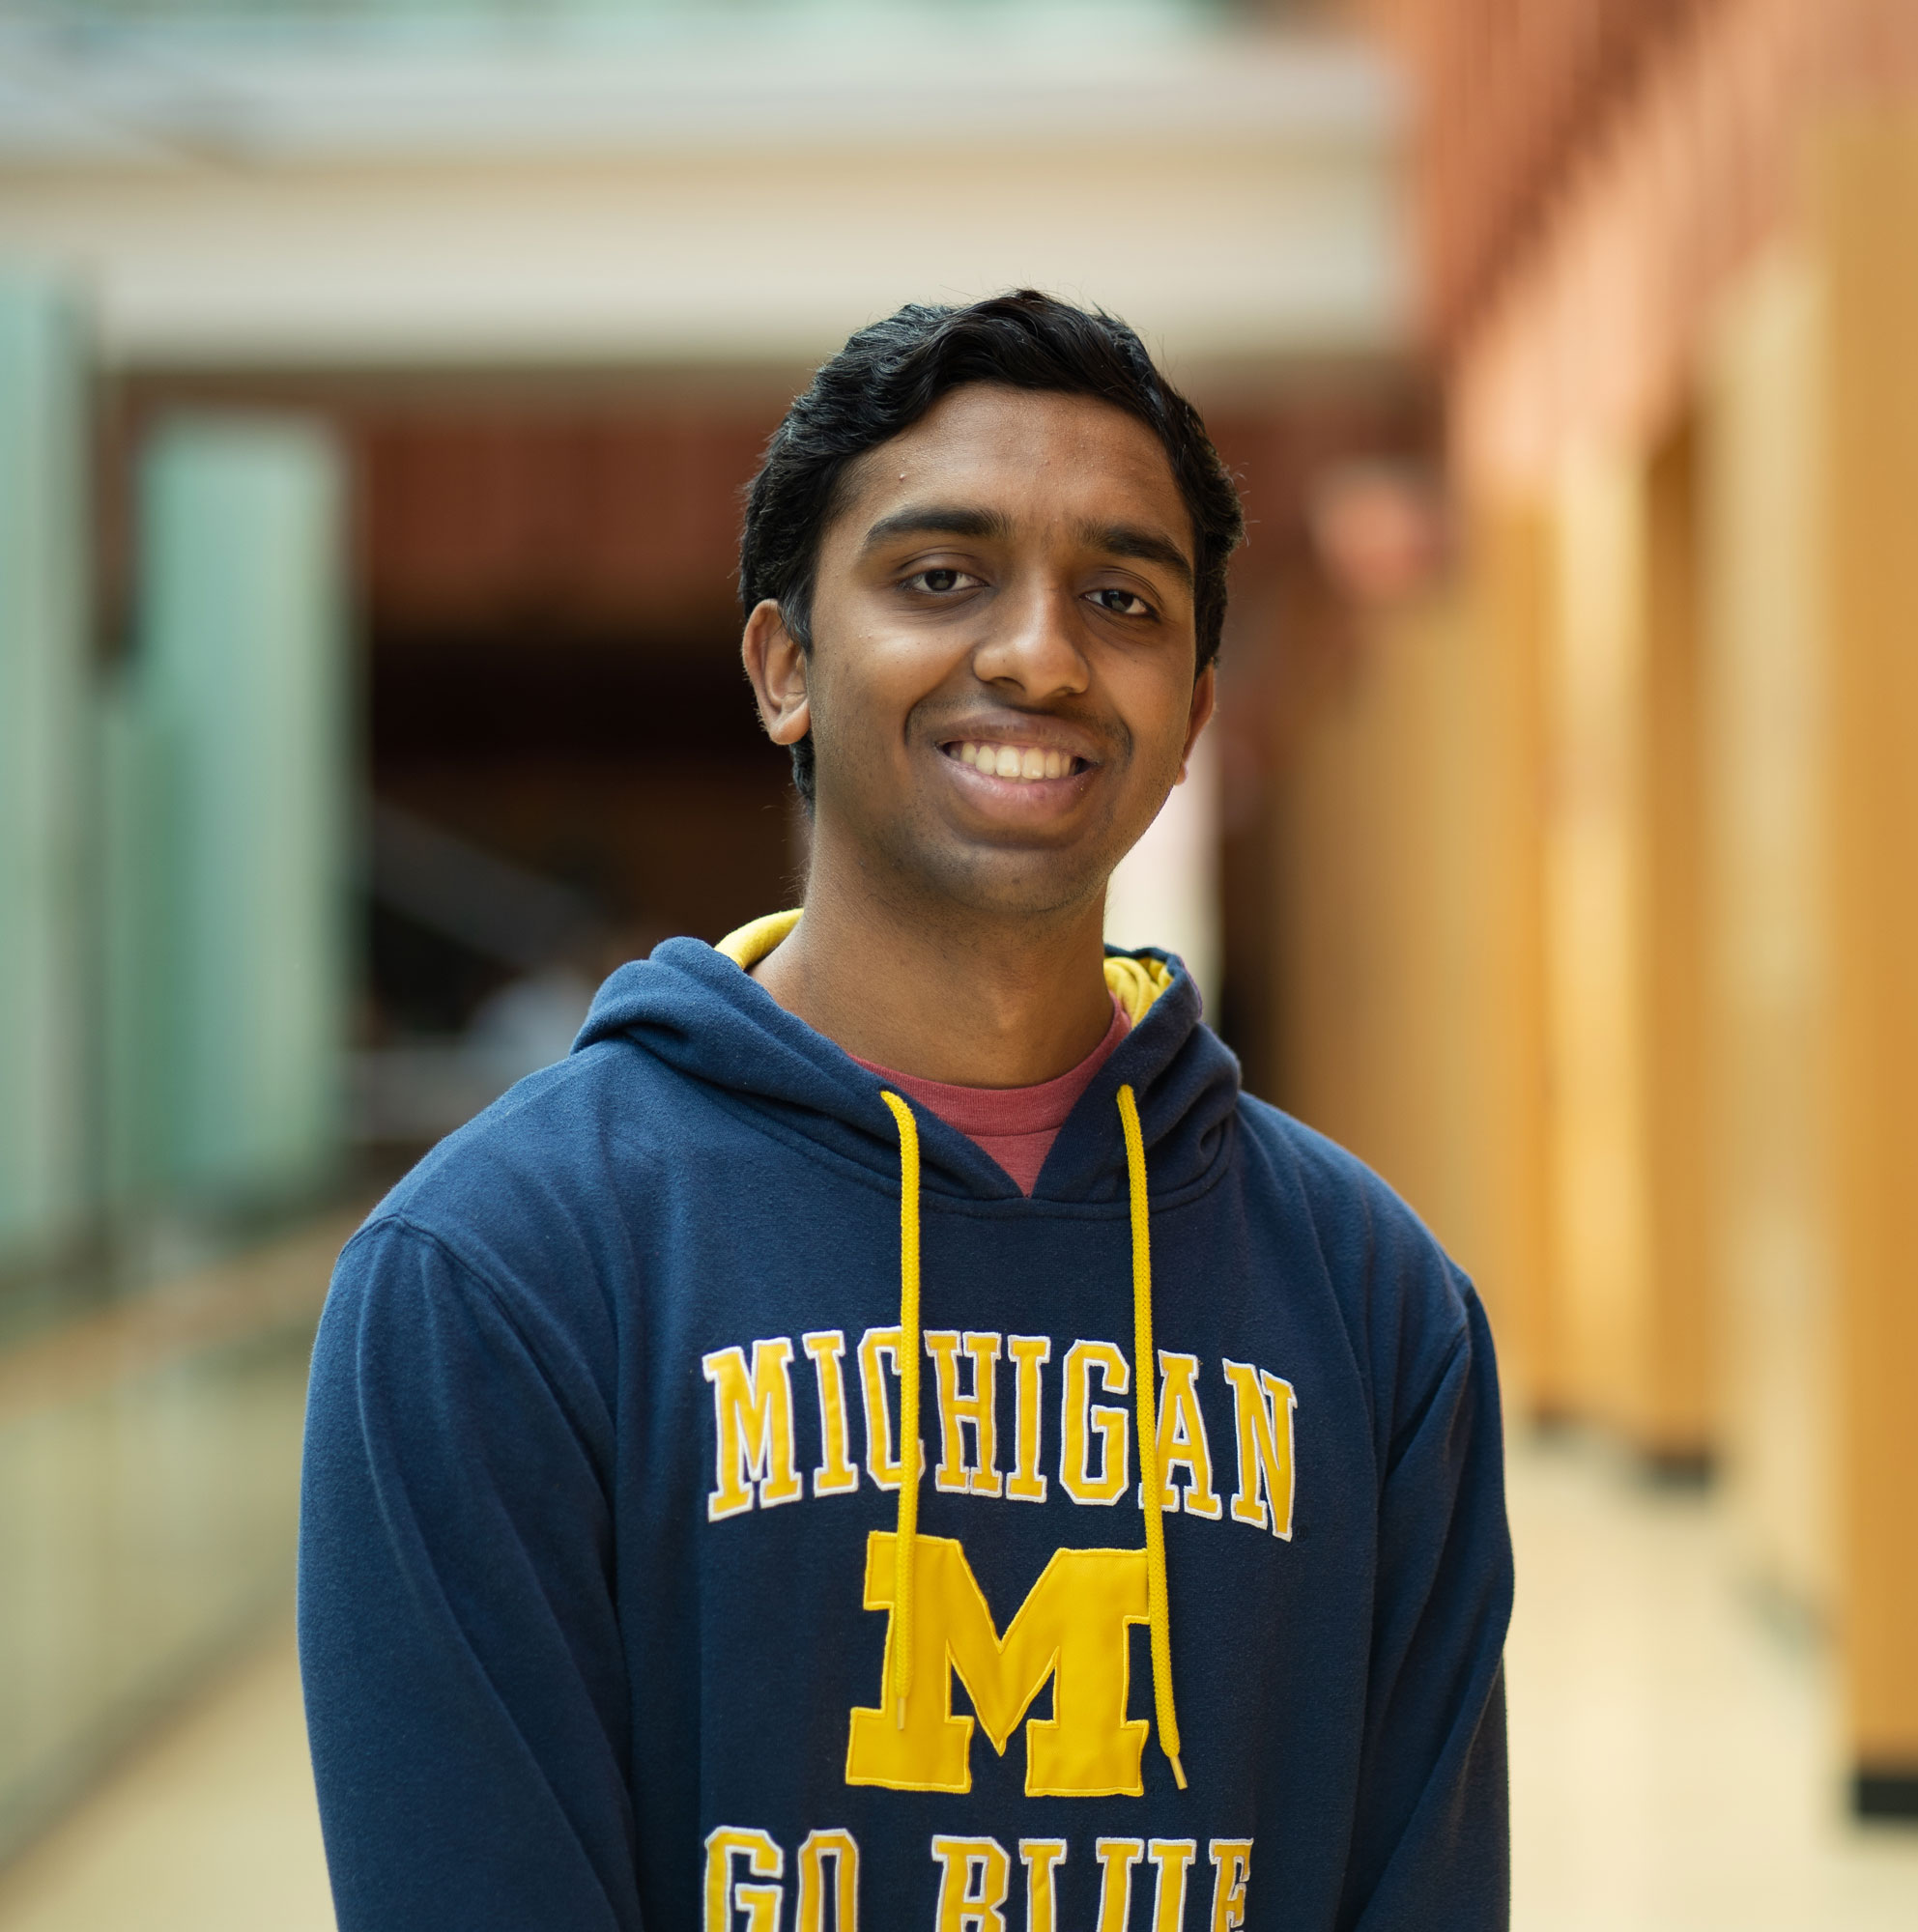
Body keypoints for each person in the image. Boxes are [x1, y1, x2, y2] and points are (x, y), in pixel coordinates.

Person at [300, 291, 1511, 1932]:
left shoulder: (1379, 1308)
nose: (1037, 655)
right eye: (941, 578)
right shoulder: (495, 1276)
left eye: (1122, 598)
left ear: (1193, 719)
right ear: (786, 667)